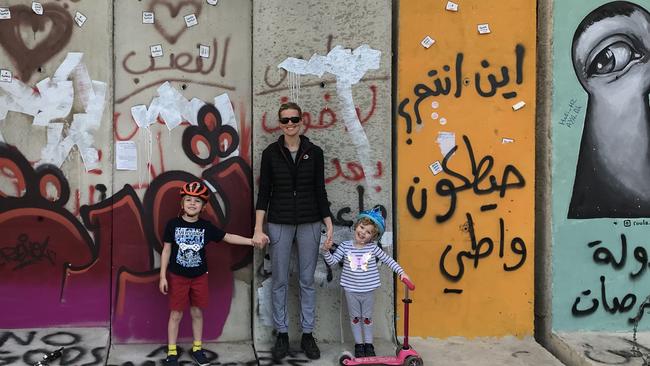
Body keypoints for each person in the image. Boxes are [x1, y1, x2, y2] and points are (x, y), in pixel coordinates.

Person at [253, 102, 334, 361]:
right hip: (279, 222)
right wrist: (258, 228)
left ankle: (308, 334)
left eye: (294, 119)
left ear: (302, 121)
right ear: (280, 124)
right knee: (279, 280)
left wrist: (328, 224)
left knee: (307, 280)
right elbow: (264, 193)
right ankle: (283, 334)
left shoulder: (315, 152)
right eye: (285, 120)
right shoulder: (270, 153)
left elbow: (320, 191)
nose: (290, 124)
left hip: (310, 221)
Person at [160, 181, 263, 366]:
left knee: (197, 312)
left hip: (199, 277)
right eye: (188, 200)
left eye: (197, 201)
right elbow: (166, 250)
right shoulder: (172, 225)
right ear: (182, 204)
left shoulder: (206, 227)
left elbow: (228, 237)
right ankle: (172, 351)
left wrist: (251, 241)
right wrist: (162, 276)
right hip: (177, 277)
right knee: (175, 314)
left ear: (203, 206)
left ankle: (197, 348)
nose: (192, 203)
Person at [321, 207, 410, 358]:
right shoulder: (345, 246)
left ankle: (368, 345)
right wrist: (326, 251)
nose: (363, 233)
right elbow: (333, 261)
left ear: (372, 237)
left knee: (367, 318)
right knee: (355, 318)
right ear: (356, 226)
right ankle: (359, 345)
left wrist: (402, 273)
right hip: (351, 290)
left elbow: (388, 260)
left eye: (368, 232)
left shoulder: (373, 248)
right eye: (362, 227)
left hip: (368, 290)